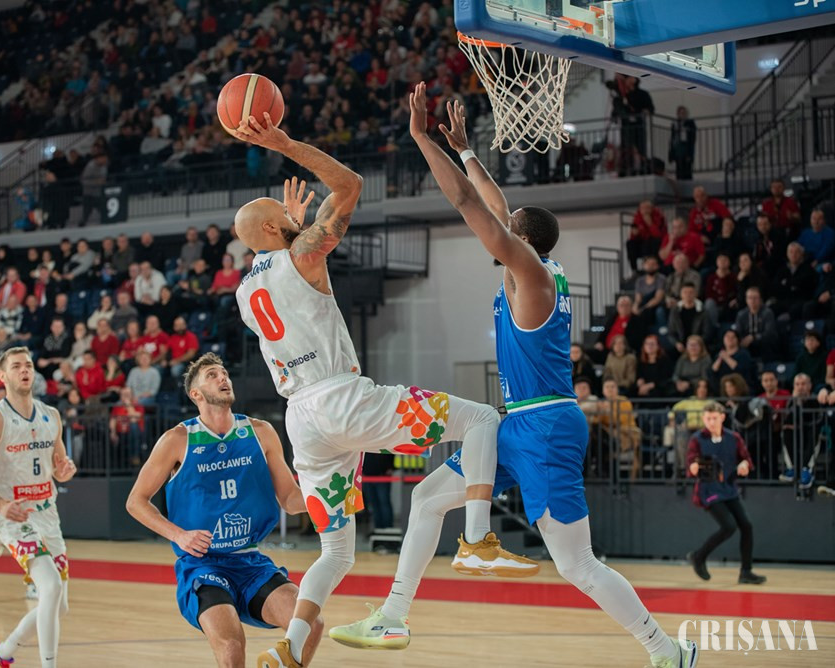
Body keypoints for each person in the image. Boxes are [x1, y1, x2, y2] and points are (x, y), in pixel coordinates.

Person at [330, 88, 698, 668]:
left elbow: (466, 202)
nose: (501, 222)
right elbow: (493, 203)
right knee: (427, 498)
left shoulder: (530, 274)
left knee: (577, 564)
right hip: (517, 423)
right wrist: (466, 150)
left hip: (547, 426)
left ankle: (667, 650)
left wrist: (421, 137)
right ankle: (393, 616)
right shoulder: (533, 264)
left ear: (520, 241)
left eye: (510, 226)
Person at [231, 104, 513, 668]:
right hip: (342, 399)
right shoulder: (301, 255)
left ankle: (289, 647)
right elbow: (350, 185)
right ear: (272, 230)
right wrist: (285, 145)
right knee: (482, 418)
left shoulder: (244, 291)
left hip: (302, 422)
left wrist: (288, 226)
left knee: (336, 552)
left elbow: (286, 258)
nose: (291, 214)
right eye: (280, 214)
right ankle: (477, 538)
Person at [126, 354, 324, 667]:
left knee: (311, 625)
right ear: (195, 394)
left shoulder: (260, 432)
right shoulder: (177, 440)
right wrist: (179, 535)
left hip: (250, 562)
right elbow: (136, 501)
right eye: (212, 375)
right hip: (202, 565)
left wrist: (326, 495)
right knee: (232, 646)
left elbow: (289, 499)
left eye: (224, 373)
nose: (223, 378)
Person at [0, 346, 77, 668]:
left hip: (48, 514)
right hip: (14, 518)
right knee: (50, 587)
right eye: (16, 366)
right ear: (2, 376)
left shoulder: (51, 415)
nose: (24, 370)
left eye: (28, 365)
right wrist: (0, 505)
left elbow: (59, 467)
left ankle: (0, 653)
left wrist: (64, 471)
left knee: (59, 606)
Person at [686, 402, 766, 585]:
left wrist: (744, 465)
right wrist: (694, 467)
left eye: (714, 418)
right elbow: (690, 462)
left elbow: (746, 459)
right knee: (729, 526)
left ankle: (746, 571)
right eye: (707, 418)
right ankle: (699, 556)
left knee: (746, 525)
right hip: (708, 490)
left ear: (722, 417)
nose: (711, 422)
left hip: (728, 489)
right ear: (703, 419)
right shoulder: (697, 439)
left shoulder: (733, 437)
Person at [668, 106, 696, 180]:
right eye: (681, 113)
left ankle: (687, 181)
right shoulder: (675, 123)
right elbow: (672, 137)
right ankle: (679, 180)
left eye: (684, 113)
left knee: (687, 167)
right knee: (679, 166)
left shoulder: (690, 123)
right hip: (678, 147)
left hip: (686, 147)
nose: (683, 115)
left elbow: (692, 137)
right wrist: (671, 152)